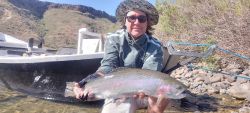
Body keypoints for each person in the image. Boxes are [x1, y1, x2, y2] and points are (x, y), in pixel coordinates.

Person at [74, 0, 169, 113]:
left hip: (145, 92)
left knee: (166, 94)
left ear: (147, 23)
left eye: (142, 18)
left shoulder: (156, 46)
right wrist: (86, 81)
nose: (137, 22)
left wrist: (143, 90)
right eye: (132, 18)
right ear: (125, 21)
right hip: (118, 89)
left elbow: (148, 74)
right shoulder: (114, 39)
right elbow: (108, 66)